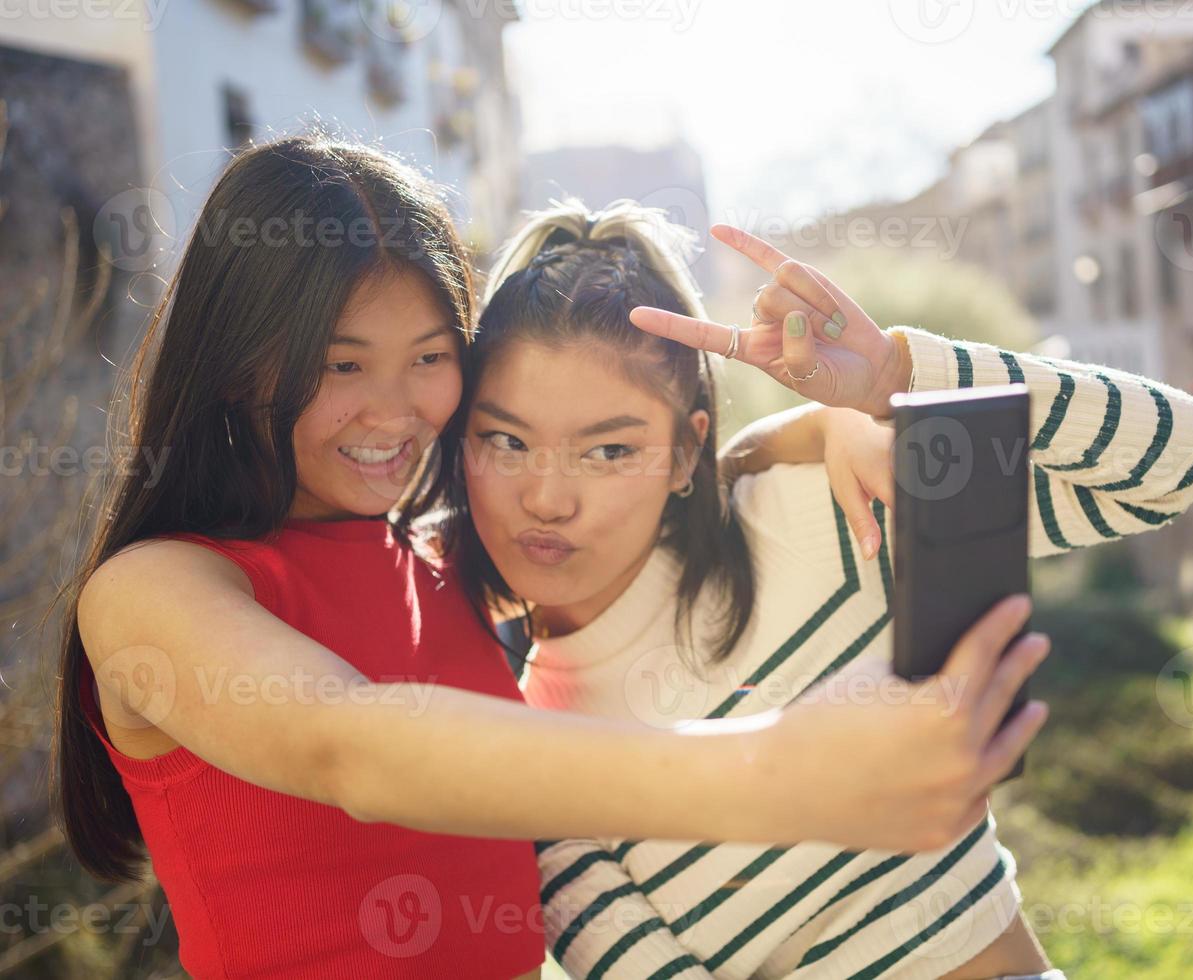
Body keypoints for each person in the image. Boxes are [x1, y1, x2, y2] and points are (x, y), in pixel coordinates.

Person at [53, 136, 1047, 979]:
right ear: (237, 361)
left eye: (431, 357)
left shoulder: (442, 565)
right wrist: (773, 771)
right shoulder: (154, 593)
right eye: (340, 363)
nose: (395, 413)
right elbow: (350, 744)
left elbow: (618, 494)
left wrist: (805, 434)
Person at [458, 201, 1193, 978]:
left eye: (609, 450)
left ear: (685, 450)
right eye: (507, 440)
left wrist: (897, 378)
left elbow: (1181, 460)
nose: (548, 498)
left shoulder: (820, 511)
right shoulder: (535, 753)